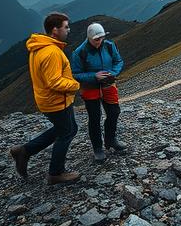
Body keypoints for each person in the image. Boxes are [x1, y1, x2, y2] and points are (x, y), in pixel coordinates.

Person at [9, 12, 81, 184]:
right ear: (55, 30)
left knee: (69, 128)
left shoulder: (40, 47)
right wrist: (75, 85)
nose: (68, 30)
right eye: (66, 27)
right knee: (66, 132)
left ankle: (24, 151)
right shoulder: (52, 52)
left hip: (51, 100)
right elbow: (54, 82)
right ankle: (55, 173)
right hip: (56, 101)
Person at [71, 22, 127, 162]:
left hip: (108, 83)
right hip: (90, 87)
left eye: (101, 38)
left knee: (114, 112)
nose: (99, 41)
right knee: (95, 118)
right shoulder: (80, 52)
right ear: (89, 37)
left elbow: (118, 60)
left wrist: (112, 73)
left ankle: (111, 140)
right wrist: (94, 76)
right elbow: (76, 74)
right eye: (96, 39)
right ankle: (97, 148)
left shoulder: (109, 45)